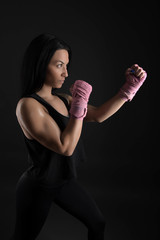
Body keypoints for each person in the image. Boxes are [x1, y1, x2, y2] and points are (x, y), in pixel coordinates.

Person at [10, 33, 147, 240]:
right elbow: (66, 147)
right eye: (59, 65)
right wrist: (79, 108)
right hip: (38, 186)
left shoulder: (63, 99)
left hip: (63, 181)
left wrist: (128, 89)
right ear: (40, 64)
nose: (66, 73)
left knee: (97, 223)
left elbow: (99, 115)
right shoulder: (28, 106)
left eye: (66, 65)